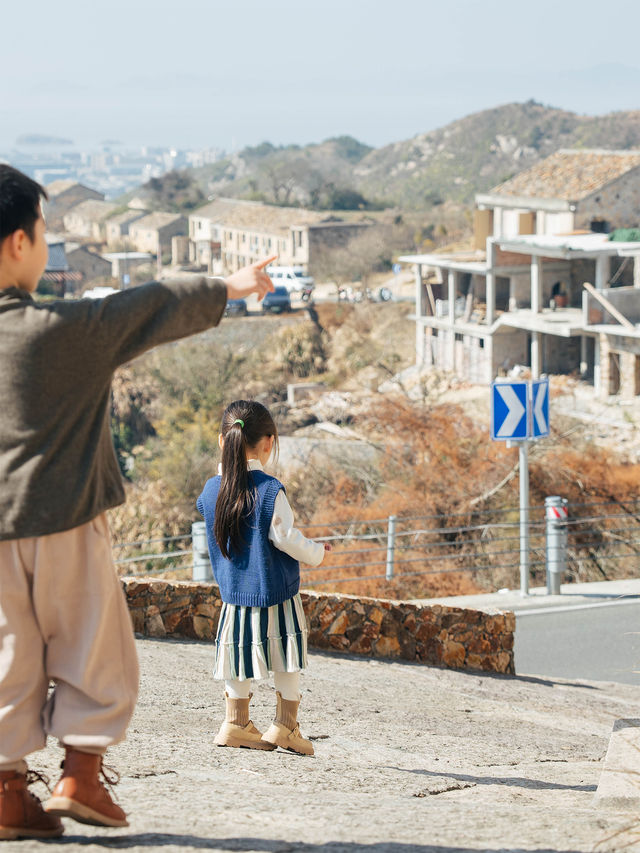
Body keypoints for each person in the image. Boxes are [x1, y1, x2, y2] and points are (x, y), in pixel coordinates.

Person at [0, 163, 275, 840]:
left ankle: (6, 791)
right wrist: (230, 286)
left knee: (4, 654)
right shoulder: (64, 330)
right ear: (15, 244)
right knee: (96, 646)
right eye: (40, 232)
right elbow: (147, 306)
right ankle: (80, 776)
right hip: (64, 520)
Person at [197, 400, 331, 757]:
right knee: (285, 658)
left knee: (237, 658)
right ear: (269, 442)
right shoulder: (270, 490)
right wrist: (318, 552)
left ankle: (235, 723)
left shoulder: (212, 491)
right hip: (274, 595)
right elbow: (285, 538)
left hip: (234, 597)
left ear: (223, 441)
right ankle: (285, 727)